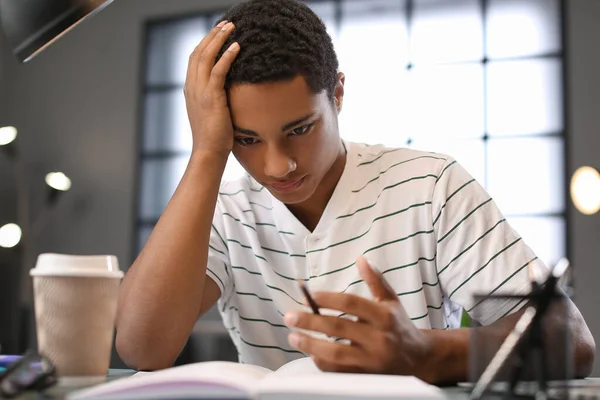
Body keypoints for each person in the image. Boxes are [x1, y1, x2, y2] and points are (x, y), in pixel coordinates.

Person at [115, 0, 595, 384]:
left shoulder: (431, 186)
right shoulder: (223, 211)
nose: (278, 165)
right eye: (247, 140)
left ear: (338, 94)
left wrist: (424, 351)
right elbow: (141, 348)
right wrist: (207, 153)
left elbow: (570, 342)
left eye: (300, 128)